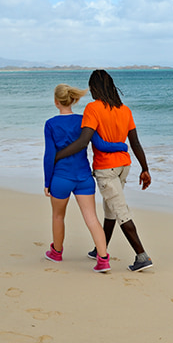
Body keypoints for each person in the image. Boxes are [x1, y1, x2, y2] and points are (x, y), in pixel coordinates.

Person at [55, 70, 153, 272]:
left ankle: (142, 256)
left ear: (95, 88)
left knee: (120, 210)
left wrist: (58, 155)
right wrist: (145, 168)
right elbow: (134, 142)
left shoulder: (93, 108)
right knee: (111, 210)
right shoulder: (124, 110)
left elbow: (83, 140)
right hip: (124, 166)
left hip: (106, 168)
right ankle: (100, 249)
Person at [43, 83, 128, 273]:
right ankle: (104, 260)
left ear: (56, 102)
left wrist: (47, 182)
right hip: (83, 178)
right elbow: (102, 145)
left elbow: (49, 156)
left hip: (60, 178)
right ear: (73, 100)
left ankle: (56, 252)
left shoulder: (51, 124)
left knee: (58, 216)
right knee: (91, 218)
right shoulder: (84, 120)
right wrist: (122, 147)